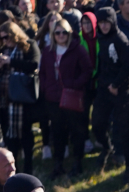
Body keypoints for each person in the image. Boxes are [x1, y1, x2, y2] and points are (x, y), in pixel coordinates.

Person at [38, 18, 91, 178]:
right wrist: (46, 87)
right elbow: (42, 73)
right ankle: (58, 164)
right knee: (58, 131)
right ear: (53, 35)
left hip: (72, 97)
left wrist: (74, 84)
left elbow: (88, 71)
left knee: (77, 131)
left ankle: (77, 163)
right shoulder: (47, 51)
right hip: (53, 98)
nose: (61, 35)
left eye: (64, 32)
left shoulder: (78, 49)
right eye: (57, 33)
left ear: (69, 33)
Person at [91, 6, 129, 181]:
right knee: (97, 123)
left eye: (107, 22)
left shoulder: (120, 39)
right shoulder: (101, 38)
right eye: (101, 22)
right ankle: (106, 147)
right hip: (104, 88)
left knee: (126, 130)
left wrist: (116, 84)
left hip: (121, 89)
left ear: (113, 22)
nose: (104, 26)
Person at [0, 22, 39, 175]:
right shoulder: (1, 50)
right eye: (2, 38)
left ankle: (28, 168)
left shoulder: (28, 45)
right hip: (5, 101)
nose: (5, 41)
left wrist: (11, 61)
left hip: (22, 99)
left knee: (25, 135)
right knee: (9, 137)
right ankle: (14, 170)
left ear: (14, 34)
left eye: (7, 37)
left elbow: (34, 64)